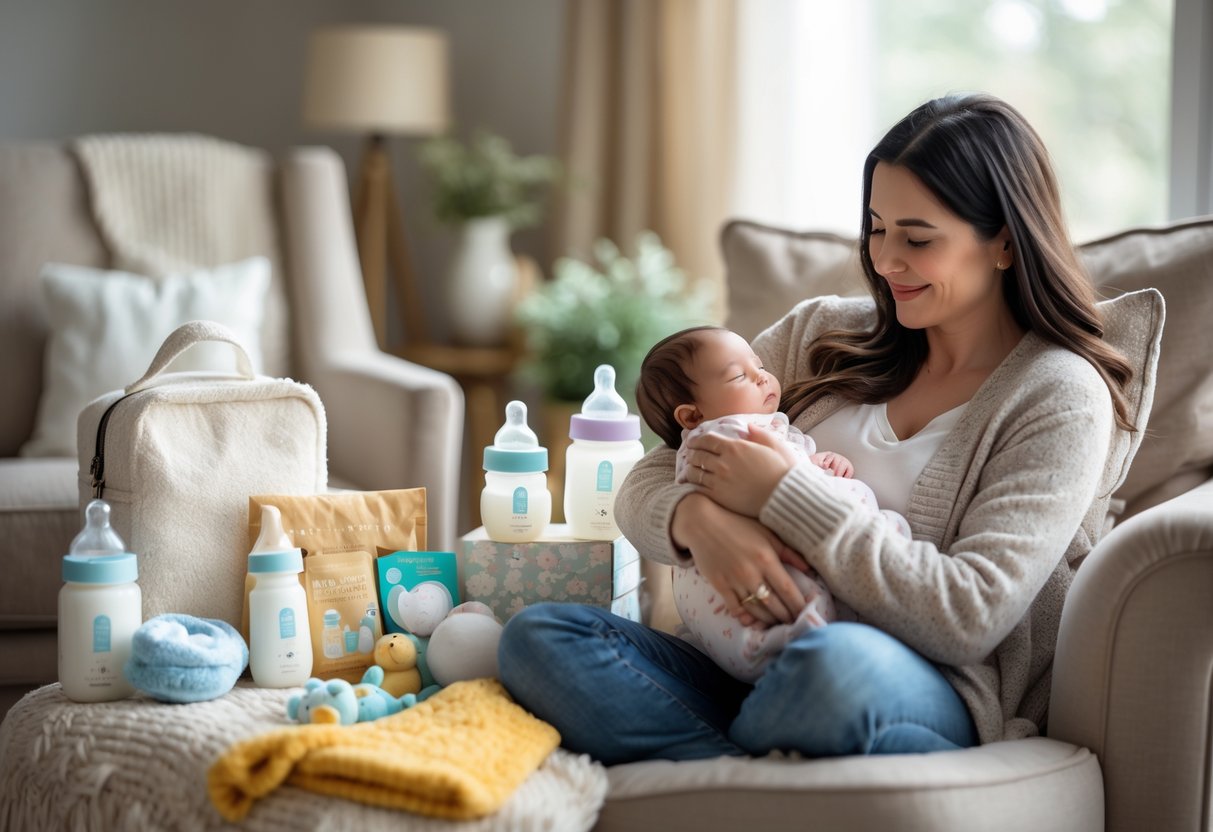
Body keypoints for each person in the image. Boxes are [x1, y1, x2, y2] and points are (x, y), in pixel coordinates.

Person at [497, 93, 1135, 765]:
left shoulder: (1059, 396)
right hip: (739, 664)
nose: (886, 262)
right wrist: (703, 526)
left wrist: (780, 495)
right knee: (538, 638)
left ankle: (711, 775)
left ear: (1004, 239)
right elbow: (654, 471)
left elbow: (967, 614)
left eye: (917, 239)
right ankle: (755, 768)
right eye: (876, 228)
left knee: (835, 666)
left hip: (906, 683)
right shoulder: (820, 332)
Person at [634, 324, 912, 682]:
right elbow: (747, 481)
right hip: (767, 571)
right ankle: (800, 651)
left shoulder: (759, 426)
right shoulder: (720, 436)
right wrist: (692, 516)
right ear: (692, 417)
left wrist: (817, 462)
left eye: (761, 366)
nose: (763, 378)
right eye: (740, 376)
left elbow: (777, 471)